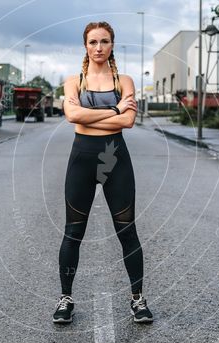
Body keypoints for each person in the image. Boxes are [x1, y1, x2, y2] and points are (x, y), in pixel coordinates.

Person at [52, 21, 153, 324]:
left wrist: (96, 118)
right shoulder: (74, 81)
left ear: (112, 45)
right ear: (85, 46)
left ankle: (138, 300)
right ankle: (65, 299)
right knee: (73, 233)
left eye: (104, 42)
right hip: (81, 159)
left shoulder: (125, 81)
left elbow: (129, 123)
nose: (99, 48)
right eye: (93, 42)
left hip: (115, 160)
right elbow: (73, 117)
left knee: (127, 232)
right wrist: (115, 111)